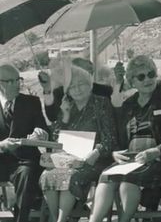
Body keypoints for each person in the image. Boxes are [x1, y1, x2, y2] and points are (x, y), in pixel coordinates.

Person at [89, 55, 161, 222]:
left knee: (128, 181)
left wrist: (157, 151)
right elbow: (118, 139)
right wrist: (115, 153)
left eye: (151, 74)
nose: (147, 79)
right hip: (132, 160)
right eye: (141, 77)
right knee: (106, 176)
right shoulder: (129, 105)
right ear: (132, 81)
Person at [39, 65, 117, 222]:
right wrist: (65, 115)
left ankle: (61, 220)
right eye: (72, 86)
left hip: (94, 159)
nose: (77, 89)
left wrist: (97, 152)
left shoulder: (101, 103)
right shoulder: (68, 106)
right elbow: (56, 139)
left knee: (70, 177)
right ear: (67, 90)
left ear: (89, 84)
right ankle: (56, 219)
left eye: (81, 84)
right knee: (47, 176)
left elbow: (110, 137)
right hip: (69, 159)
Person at [0, 63, 49, 222]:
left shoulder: (32, 102)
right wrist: (2, 145)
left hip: (24, 161)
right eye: (11, 81)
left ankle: (21, 219)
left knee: (28, 173)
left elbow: (41, 128)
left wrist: (40, 134)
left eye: (18, 80)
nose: (17, 85)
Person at [39, 57, 115, 122]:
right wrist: (47, 89)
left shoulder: (105, 91)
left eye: (91, 71)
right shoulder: (60, 92)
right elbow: (52, 117)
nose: (88, 75)